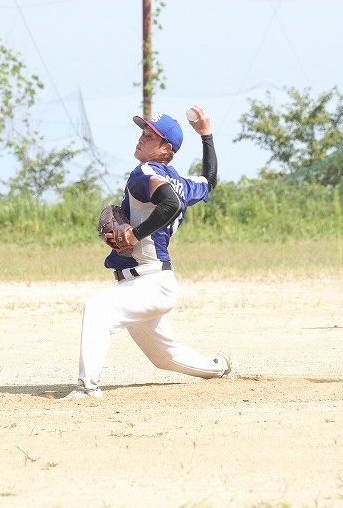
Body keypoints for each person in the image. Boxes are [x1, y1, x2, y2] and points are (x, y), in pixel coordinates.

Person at [62, 106, 232, 399]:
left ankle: (87, 388)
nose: (141, 138)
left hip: (150, 281)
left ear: (166, 149)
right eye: (143, 132)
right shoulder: (182, 183)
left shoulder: (145, 171)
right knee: (164, 357)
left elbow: (170, 204)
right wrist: (206, 136)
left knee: (98, 309)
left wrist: (134, 233)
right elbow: (210, 180)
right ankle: (219, 367)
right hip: (149, 283)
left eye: (150, 136)